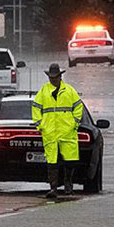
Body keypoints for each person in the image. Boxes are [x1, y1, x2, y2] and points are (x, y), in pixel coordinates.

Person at [32, 63, 84, 198]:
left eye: (55, 77)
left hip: (67, 131)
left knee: (70, 160)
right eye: (51, 77)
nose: (53, 80)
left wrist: (75, 123)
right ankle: (53, 188)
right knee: (52, 162)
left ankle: (68, 186)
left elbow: (78, 107)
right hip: (50, 132)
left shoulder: (69, 91)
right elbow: (36, 108)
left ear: (60, 76)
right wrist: (40, 125)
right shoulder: (43, 91)